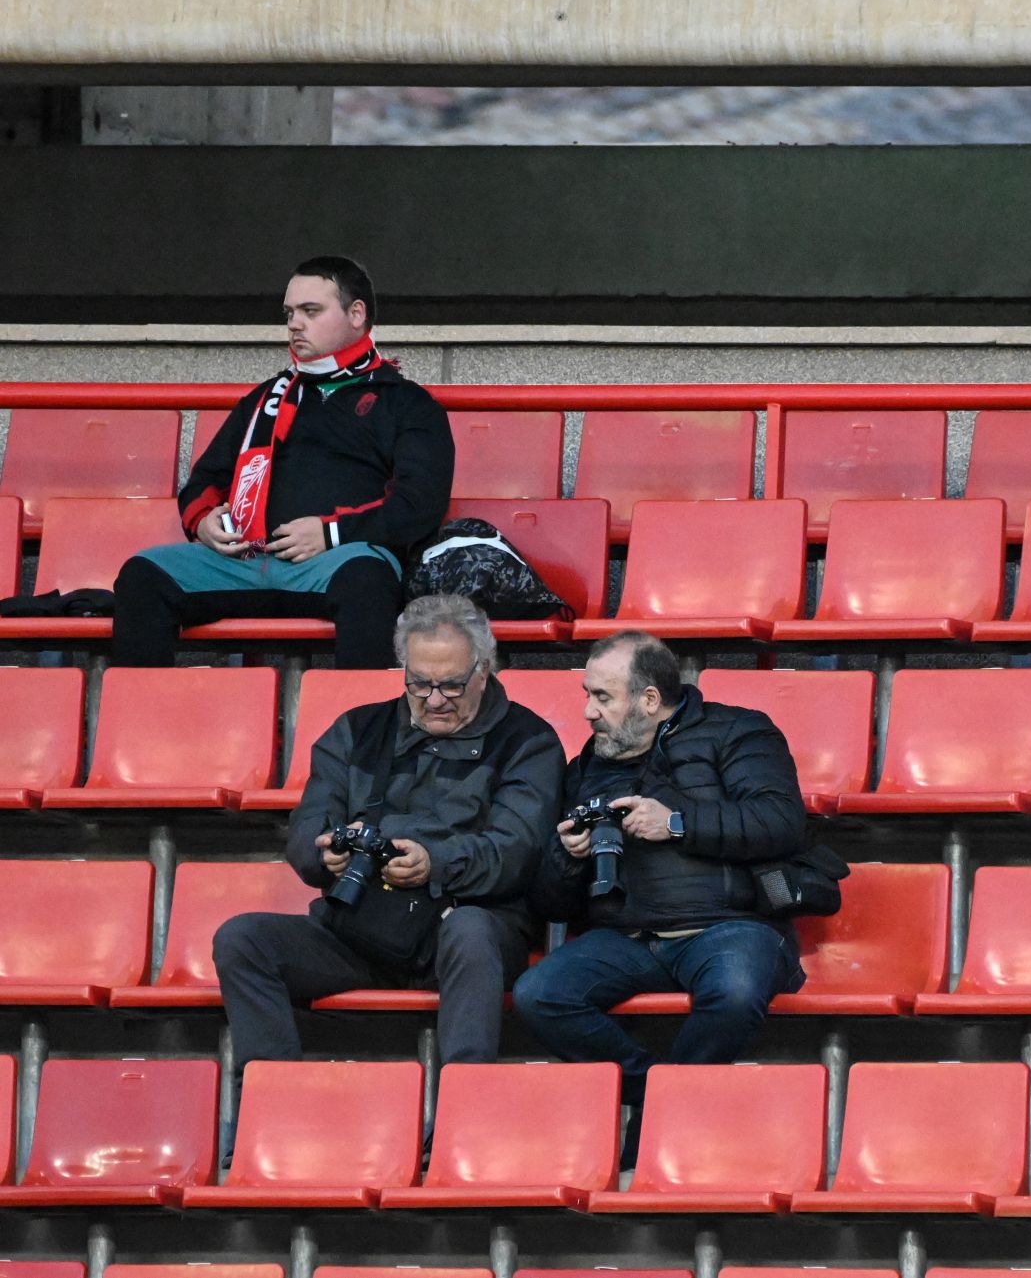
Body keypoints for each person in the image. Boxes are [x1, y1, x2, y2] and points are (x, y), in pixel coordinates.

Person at [213, 594, 564, 1069]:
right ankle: (270, 1105)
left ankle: (463, 1107)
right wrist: (326, 854)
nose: (435, 700)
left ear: (485, 670)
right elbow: (305, 831)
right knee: (242, 939)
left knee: (471, 929)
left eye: (452, 685)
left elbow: (518, 851)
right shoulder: (357, 730)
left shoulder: (529, 740)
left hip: (463, 930)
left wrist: (434, 863)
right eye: (419, 684)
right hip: (362, 926)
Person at [513, 631, 809, 1157]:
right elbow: (554, 905)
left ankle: (657, 1122)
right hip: (626, 934)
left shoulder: (739, 731)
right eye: (587, 694)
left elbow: (780, 822)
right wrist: (568, 856)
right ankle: (659, 1094)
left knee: (736, 993)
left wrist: (676, 822)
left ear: (649, 699)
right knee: (540, 995)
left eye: (602, 697)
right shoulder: (587, 767)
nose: (587, 712)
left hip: (729, 925)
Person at [112, 256, 453, 668]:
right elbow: (204, 481)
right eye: (290, 313)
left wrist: (330, 534)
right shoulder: (266, 398)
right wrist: (204, 521)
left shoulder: (407, 402)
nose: (295, 324)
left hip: (337, 562)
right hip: (242, 561)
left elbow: (419, 505)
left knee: (368, 580)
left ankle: (358, 729)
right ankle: (145, 731)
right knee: (142, 574)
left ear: (356, 314)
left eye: (311, 311)